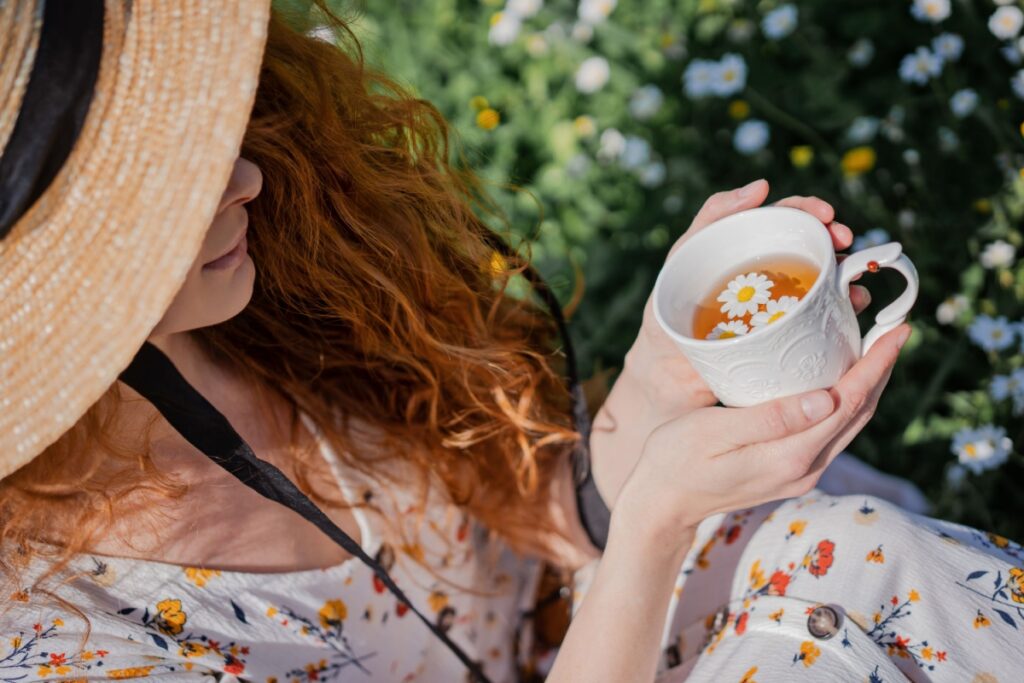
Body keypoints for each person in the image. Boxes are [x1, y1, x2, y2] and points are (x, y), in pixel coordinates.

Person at [0, 2, 1020, 682]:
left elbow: (525, 517)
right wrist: (658, 525)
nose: (246, 179)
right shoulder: (71, 638)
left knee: (849, 550)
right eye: (157, 192)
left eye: (201, 136)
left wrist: (662, 381)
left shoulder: (259, 315)